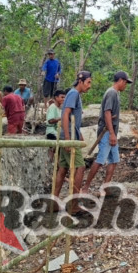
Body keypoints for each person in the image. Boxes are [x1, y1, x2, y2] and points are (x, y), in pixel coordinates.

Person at [82, 71, 132, 193]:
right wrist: (111, 133)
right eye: (125, 83)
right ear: (121, 80)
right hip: (107, 132)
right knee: (100, 160)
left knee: (114, 160)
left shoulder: (116, 94)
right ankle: (85, 187)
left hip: (111, 131)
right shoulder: (111, 93)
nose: (126, 85)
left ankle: (106, 187)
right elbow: (107, 112)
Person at [54, 71, 92, 207]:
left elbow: (72, 120)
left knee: (63, 168)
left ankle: (54, 203)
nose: (90, 86)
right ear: (80, 82)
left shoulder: (74, 95)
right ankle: (73, 205)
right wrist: (69, 139)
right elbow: (65, 115)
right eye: (88, 82)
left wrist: (78, 135)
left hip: (69, 135)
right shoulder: (74, 94)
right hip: (68, 136)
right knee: (80, 167)